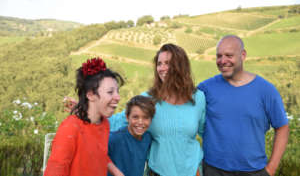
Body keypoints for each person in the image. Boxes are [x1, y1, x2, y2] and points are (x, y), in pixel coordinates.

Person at [64, 44, 206, 176]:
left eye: (168, 63)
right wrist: (88, 106)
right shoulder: (149, 98)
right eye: (159, 64)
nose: (162, 68)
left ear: (181, 67)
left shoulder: (198, 98)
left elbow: (205, 131)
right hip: (158, 172)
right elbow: (116, 121)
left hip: (193, 171)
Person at [197, 35, 289, 176]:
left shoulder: (266, 90)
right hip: (213, 170)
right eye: (219, 56)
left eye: (229, 55)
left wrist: (271, 169)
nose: (223, 61)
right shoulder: (205, 88)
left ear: (243, 55)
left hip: (255, 171)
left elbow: (282, 127)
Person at [44, 58, 125, 176]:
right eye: (110, 92)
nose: (118, 97)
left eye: (117, 91)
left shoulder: (104, 124)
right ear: (91, 95)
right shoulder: (71, 128)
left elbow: (100, 157)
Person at [108, 95, 156, 176]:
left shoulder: (148, 138)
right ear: (127, 117)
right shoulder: (114, 138)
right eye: (135, 117)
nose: (140, 122)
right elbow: (96, 156)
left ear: (151, 119)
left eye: (146, 117)